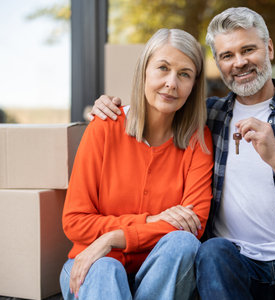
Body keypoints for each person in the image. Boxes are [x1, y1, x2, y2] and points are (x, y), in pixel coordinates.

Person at [90, 7, 275, 300]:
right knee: (212, 251)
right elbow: (160, 105)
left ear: (268, 48)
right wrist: (111, 107)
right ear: (218, 64)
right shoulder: (206, 117)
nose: (240, 62)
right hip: (233, 265)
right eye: (227, 55)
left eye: (248, 49)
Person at [60, 28, 213, 300]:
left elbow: (194, 224)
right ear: (144, 70)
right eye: (162, 68)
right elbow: (75, 222)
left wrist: (112, 238)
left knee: (182, 243)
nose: (171, 83)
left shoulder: (198, 141)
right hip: (94, 267)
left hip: (160, 276)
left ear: (194, 85)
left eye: (184, 74)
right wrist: (153, 221)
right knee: (107, 267)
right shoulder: (105, 127)